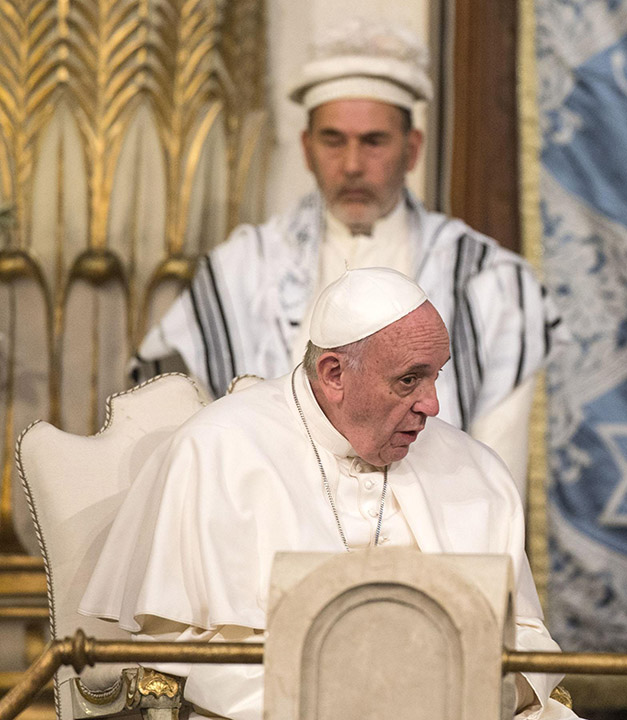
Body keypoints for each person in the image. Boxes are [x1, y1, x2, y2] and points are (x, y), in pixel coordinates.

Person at [81, 268, 572, 720]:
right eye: (408, 380)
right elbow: (189, 656)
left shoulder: (473, 468)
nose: (432, 404)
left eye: (435, 375)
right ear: (334, 374)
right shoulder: (217, 451)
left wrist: (481, 696)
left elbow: (528, 640)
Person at [133, 19, 554, 491]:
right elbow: (183, 437)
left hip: (430, 520)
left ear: (412, 149)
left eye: (373, 141)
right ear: (307, 148)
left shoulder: (491, 282)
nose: (352, 165)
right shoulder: (239, 270)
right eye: (333, 140)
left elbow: (495, 480)